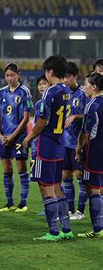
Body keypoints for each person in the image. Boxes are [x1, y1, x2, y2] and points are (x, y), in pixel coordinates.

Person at [24, 55, 73, 241]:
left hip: (46, 145)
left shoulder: (50, 92)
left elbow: (42, 121)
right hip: (60, 143)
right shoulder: (66, 90)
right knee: (57, 186)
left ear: (50, 71)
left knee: (46, 186)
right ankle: (66, 229)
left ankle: (53, 231)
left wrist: (28, 138)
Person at [0, 63, 33, 212]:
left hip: (18, 137)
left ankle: (23, 203)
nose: (9, 78)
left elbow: (26, 118)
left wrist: (13, 135)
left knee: (21, 169)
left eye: (12, 75)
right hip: (3, 136)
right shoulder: (1, 92)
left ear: (18, 75)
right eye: (7, 76)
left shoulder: (25, 92)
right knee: (6, 169)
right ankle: (9, 202)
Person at [76, 73, 103, 238]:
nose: (83, 86)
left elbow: (86, 132)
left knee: (93, 189)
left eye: (86, 84)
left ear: (94, 87)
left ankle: (98, 229)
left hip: (93, 151)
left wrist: (78, 149)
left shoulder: (91, 105)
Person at [62, 62, 88, 220]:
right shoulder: (62, 93)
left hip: (78, 142)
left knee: (80, 177)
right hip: (63, 142)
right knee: (66, 177)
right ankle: (70, 210)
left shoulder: (83, 93)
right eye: (63, 76)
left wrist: (75, 117)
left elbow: (90, 114)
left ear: (75, 77)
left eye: (68, 77)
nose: (65, 80)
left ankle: (81, 210)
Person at [31, 75, 50, 216]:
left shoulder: (52, 102)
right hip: (36, 145)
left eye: (44, 84)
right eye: (40, 84)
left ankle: (54, 206)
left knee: (50, 179)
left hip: (47, 145)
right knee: (39, 179)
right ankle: (47, 206)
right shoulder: (38, 104)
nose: (42, 86)